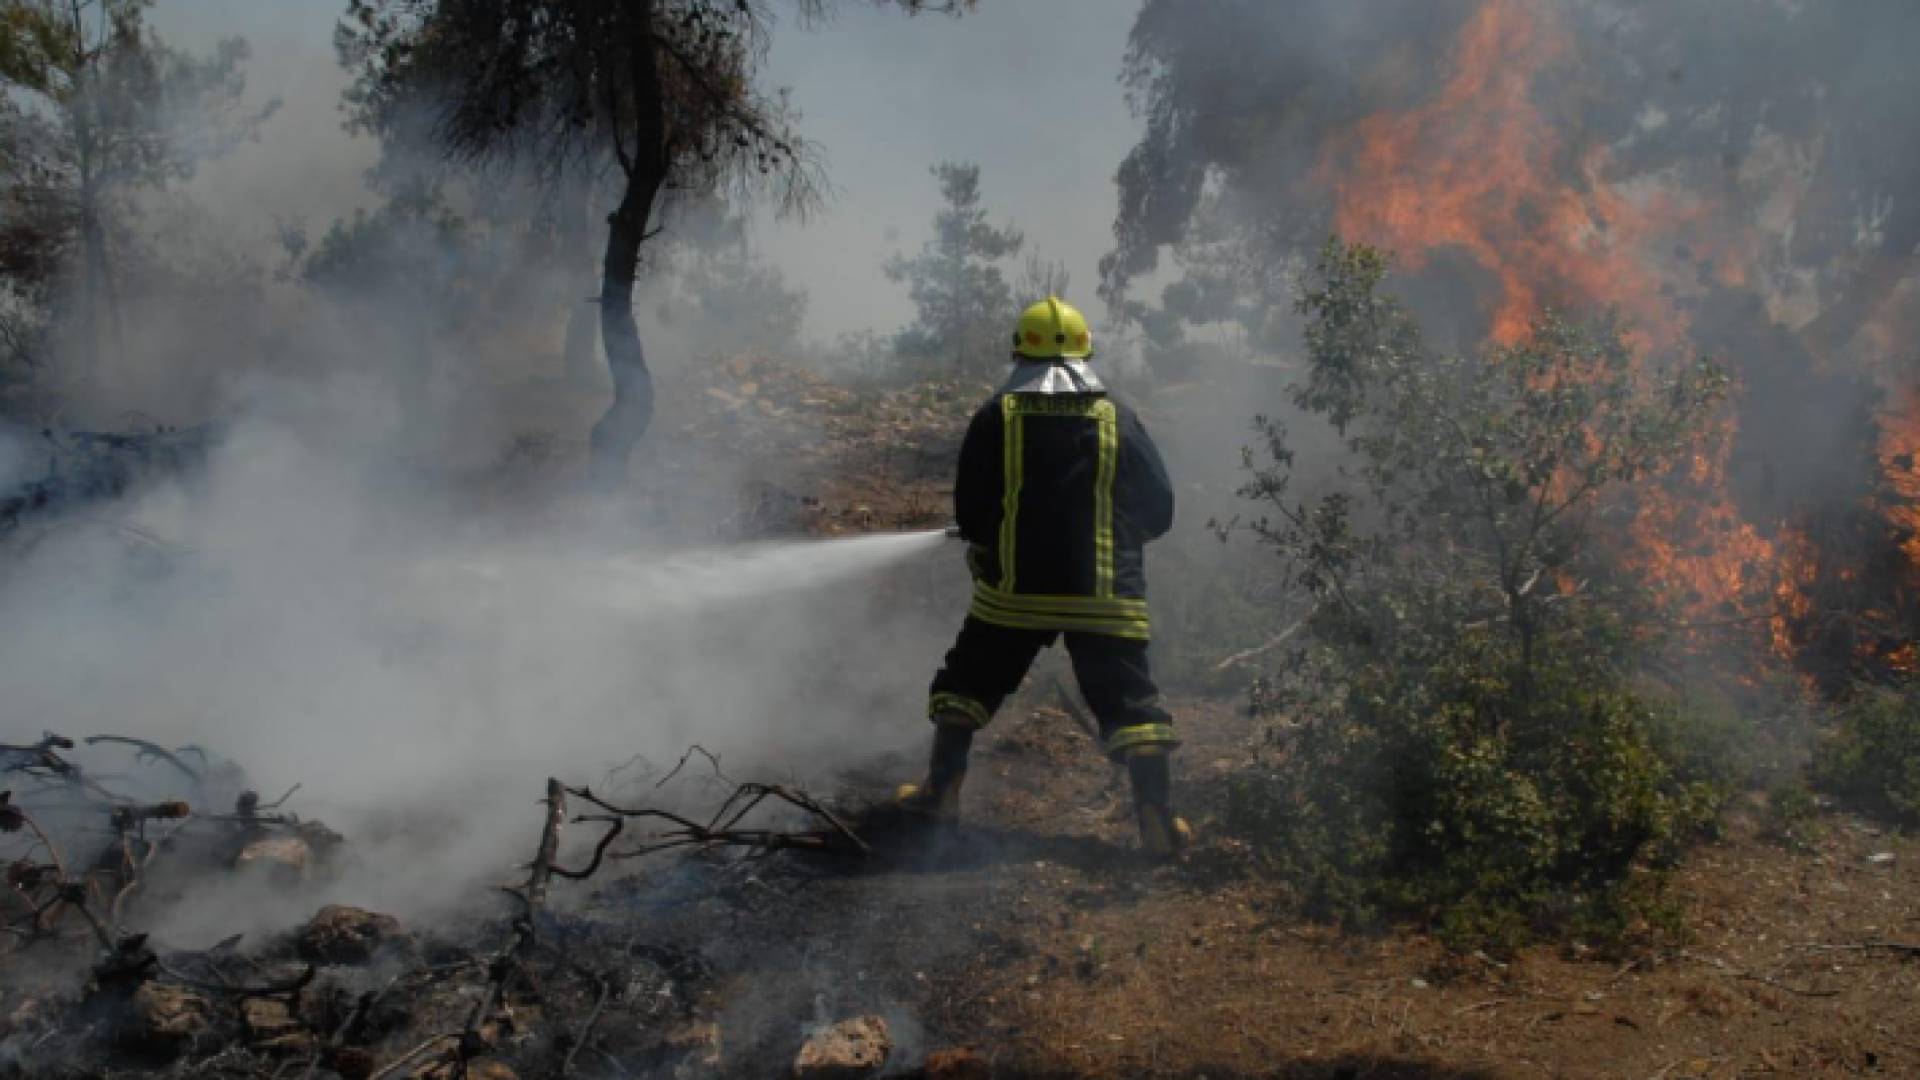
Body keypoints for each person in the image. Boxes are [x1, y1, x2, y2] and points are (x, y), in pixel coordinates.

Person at [895, 296, 1190, 857]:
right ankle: (1157, 822)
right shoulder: (1119, 418)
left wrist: (988, 548)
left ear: (1018, 354)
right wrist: (1119, 544)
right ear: (1085, 353)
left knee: (965, 684)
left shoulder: (996, 417)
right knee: (1133, 706)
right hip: (1106, 595)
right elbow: (1159, 506)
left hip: (1014, 596)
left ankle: (941, 794)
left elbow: (972, 509)